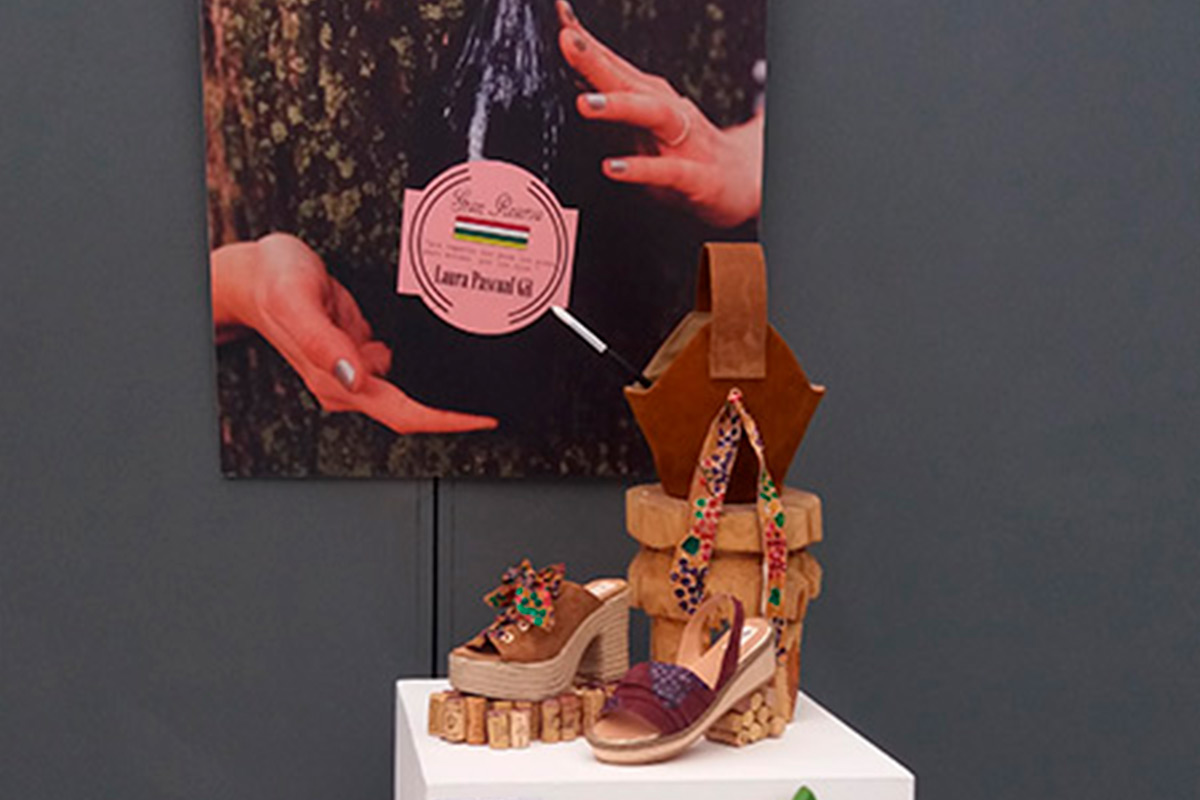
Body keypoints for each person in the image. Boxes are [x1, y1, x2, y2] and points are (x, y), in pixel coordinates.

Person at [210, 0, 765, 435]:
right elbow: (158, 295)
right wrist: (236, 288)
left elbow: (804, 84)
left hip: (633, 441)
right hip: (292, 455)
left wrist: (752, 160)